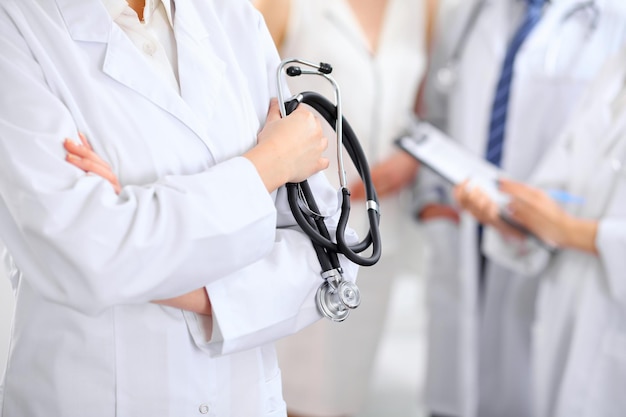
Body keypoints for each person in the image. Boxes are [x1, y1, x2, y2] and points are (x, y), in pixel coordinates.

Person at [0, 0, 359, 416]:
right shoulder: (16, 27)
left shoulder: (233, 19)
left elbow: (329, 254)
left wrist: (155, 263)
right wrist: (267, 166)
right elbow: (84, 254)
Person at [415, 0, 626, 416]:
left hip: (567, 277)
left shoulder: (611, 22)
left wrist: (564, 229)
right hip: (482, 232)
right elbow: (438, 114)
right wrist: (454, 210)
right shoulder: (471, 14)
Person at [252, 0, 434, 416]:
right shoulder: (285, 6)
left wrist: (410, 157)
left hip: (372, 236)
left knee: (346, 391)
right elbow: (247, 103)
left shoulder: (423, 9)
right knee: (288, 393)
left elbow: (427, 106)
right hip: (299, 232)